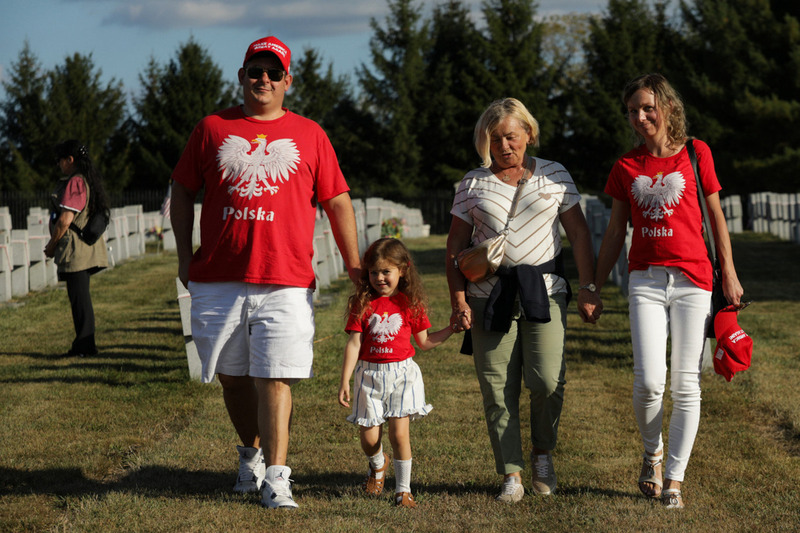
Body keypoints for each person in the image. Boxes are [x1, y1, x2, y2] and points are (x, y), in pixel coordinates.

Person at [170, 35, 361, 510]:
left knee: (275, 377)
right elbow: (181, 190)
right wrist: (181, 255)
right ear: (241, 76)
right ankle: (250, 455)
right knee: (233, 378)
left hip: (285, 278)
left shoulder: (310, 134)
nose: (264, 79)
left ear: (287, 81)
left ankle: (277, 478)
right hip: (218, 277)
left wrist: (354, 263)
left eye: (274, 73)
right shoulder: (212, 129)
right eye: (256, 70)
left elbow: (337, 201)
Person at [593, 73, 744, 509]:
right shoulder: (626, 166)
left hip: (695, 280)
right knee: (649, 381)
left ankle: (674, 479)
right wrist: (593, 286)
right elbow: (615, 232)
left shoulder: (697, 154)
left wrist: (728, 273)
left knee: (686, 383)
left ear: (668, 107)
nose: (639, 118)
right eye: (632, 111)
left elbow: (716, 219)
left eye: (646, 108)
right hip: (645, 279)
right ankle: (652, 454)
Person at [445, 98, 601, 503]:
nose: (503, 146)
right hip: (488, 295)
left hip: (544, 290)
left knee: (548, 379)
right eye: (494, 138)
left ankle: (542, 452)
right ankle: (511, 473)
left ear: (528, 134)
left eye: (511, 136)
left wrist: (588, 287)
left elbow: (580, 235)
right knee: (497, 388)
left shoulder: (555, 175)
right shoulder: (472, 183)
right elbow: (455, 249)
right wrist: (458, 300)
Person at [338, 238, 454, 508]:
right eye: (374, 272)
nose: (379, 278)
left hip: (403, 376)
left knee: (399, 435)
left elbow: (424, 342)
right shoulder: (363, 303)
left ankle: (403, 490)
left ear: (403, 270)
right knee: (369, 439)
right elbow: (354, 343)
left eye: (386, 271)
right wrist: (344, 379)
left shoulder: (410, 303)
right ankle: (378, 464)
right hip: (369, 376)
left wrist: (451, 329)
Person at [44, 140, 109, 357]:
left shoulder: (75, 182)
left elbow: (65, 219)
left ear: (70, 160)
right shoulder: (84, 179)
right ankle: (82, 345)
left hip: (75, 249)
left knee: (80, 299)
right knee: (80, 298)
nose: (59, 165)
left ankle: (86, 347)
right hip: (81, 248)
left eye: (60, 161)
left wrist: (52, 245)